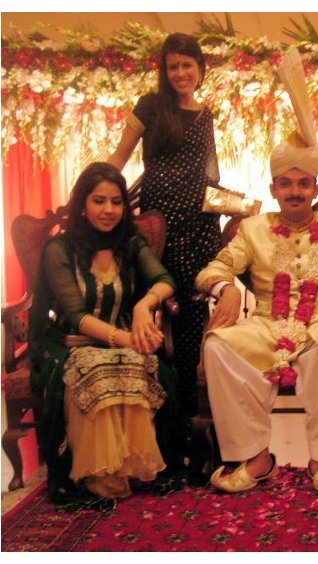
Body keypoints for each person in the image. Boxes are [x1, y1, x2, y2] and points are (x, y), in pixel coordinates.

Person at [195, 48, 318, 495]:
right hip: (265, 326)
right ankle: (255, 457)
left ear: (315, 188)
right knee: (219, 347)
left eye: (303, 184)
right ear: (273, 188)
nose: (294, 192)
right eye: (285, 184)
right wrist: (226, 287)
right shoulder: (253, 229)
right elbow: (212, 269)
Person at [29, 162, 178, 503]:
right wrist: (129, 339)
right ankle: (100, 476)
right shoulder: (59, 250)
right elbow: (76, 316)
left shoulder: (130, 244)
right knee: (95, 369)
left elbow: (164, 280)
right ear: (82, 204)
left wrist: (143, 307)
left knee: (140, 365)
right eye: (99, 201)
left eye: (116, 201)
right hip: (72, 343)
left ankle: (134, 468)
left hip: (123, 338)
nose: (109, 210)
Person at [108, 32, 220, 419]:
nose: (180, 73)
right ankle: (150, 409)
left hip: (197, 225)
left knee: (190, 316)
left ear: (200, 68)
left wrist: (231, 206)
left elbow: (210, 174)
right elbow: (119, 157)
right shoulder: (151, 105)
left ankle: (187, 413)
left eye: (187, 65)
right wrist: (93, 191)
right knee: (150, 308)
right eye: (173, 66)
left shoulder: (205, 114)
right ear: (164, 70)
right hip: (158, 227)